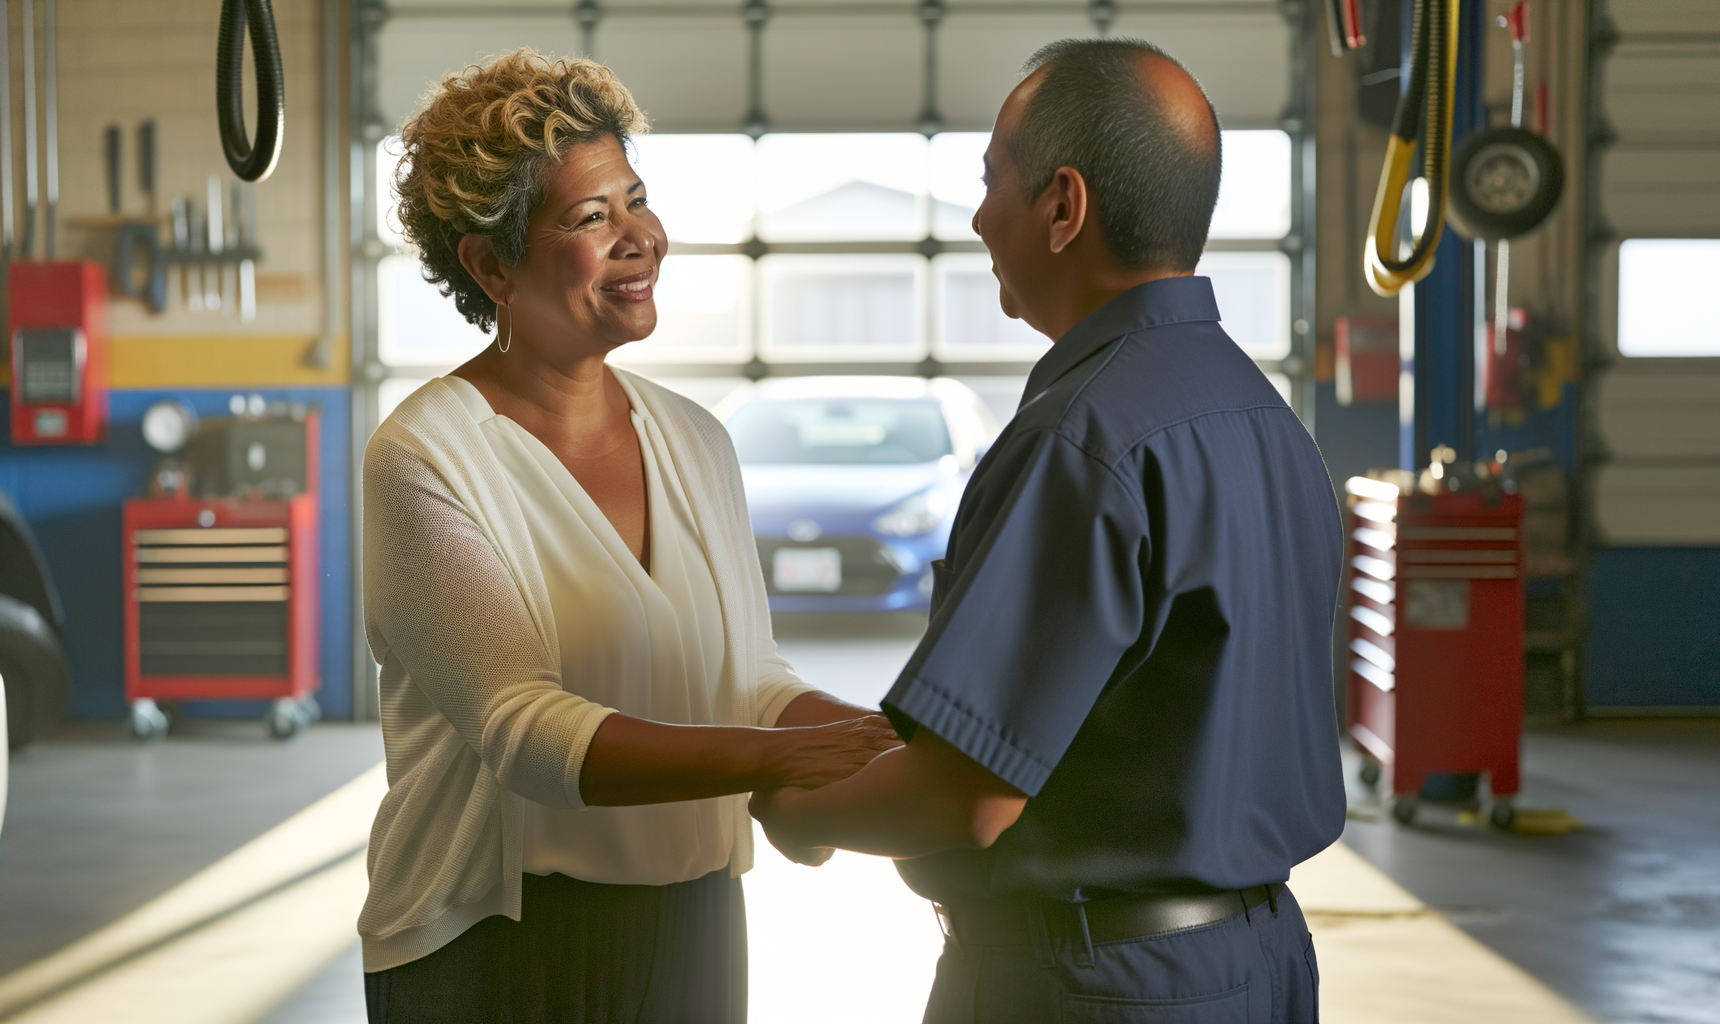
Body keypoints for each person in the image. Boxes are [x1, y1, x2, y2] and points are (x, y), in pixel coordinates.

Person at [751, 38, 1346, 1023]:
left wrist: (796, 810)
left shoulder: (1083, 436)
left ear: (1062, 207)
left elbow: (964, 796)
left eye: (992, 183)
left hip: (1096, 983)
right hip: (1260, 959)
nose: (980, 218)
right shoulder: (1260, 415)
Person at [357, 50, 900, 1023]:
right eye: (588, 217)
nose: (638, 238)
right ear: (491, 265)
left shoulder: (697, 440)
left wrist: (881, 740)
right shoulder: (426, 455)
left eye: (635, 199)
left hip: (691, 922)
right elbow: (524, 729)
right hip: (493, 950)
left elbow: (749, 680)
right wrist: (770, 761)